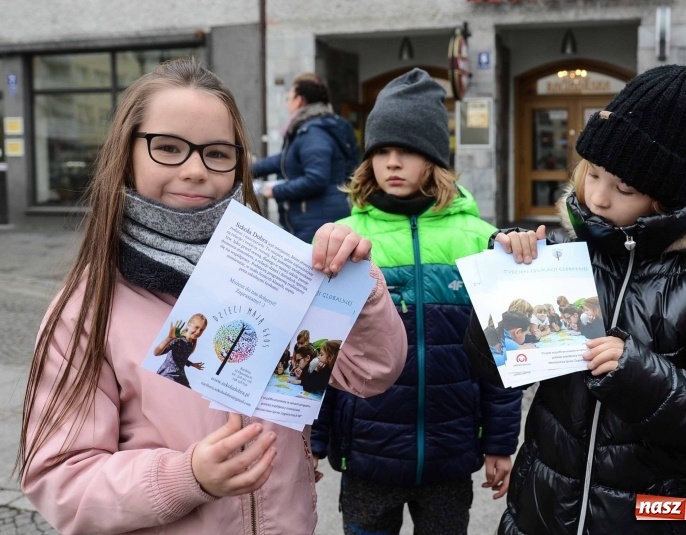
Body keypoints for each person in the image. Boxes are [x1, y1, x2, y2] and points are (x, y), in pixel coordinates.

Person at [16, 58, 407, 535]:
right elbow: (62, 481)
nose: (196, 170)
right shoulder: (87, 308)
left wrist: (359, 291)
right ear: (126, 154)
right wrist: (188, 477)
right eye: (168, 148)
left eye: (217, 154)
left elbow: (371, 373)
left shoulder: (278, 274)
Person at [464, 49, 686, 534]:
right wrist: (505, 291)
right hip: (544, 512)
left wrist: (636, 374)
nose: (599, 197)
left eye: (623, 187)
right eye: (593, 174)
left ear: (663, 197)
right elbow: (496, 371)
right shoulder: (567, 256)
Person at [311, 68, 522, 535]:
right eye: (382, 151)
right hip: (367, 453)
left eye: (406, 150)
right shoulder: (347, 240)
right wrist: (316, 438)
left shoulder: (478, 240)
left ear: (434, 159)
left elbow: (503, 356)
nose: (392, 162)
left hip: (450, 457)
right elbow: (323, 348)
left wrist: (501, 443)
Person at [251, 72, 360, 243]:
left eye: (289, 98)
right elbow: (286, 160)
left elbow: (316, 178)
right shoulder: (312, 128)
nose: (287, 103)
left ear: (299, 100)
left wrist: (274, 190)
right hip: (314, 217)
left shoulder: (313, 132)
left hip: (317, 221)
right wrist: (250, 168)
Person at [153, 313, 207, 388]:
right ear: (189, 325)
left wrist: (192, 364)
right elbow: (156, 353)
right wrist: (169, 338)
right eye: (196, 327)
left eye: (201, 330)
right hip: (168, 374)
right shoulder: (178, 340)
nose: (198, 332)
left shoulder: (190, 344)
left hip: (180, 376)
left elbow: (181, 358)